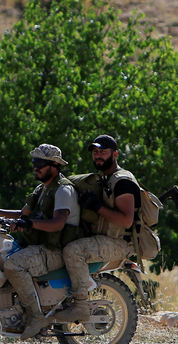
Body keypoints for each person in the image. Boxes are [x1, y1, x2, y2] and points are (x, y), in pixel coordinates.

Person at [0, 144, 81, 339]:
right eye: (34, 162)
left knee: (13, 265)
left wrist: (27, 223)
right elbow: (22, 214)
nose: (35, 167)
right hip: (39, 246)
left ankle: (36, 316)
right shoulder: (42, 189)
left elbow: (57, 224)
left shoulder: (63, 190)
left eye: (40, 163)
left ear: (55, 165)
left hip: (55, 250)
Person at [60, 134, 141, 319]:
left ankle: (80, 304)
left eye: (103, 152)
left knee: (73, 251)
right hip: (103, 238)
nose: (98, 155)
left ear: (115, 154)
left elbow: (126, 220)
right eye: (95, 152)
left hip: (119, 242)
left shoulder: (122, 182)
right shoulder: (105, 179)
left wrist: (97, 207)